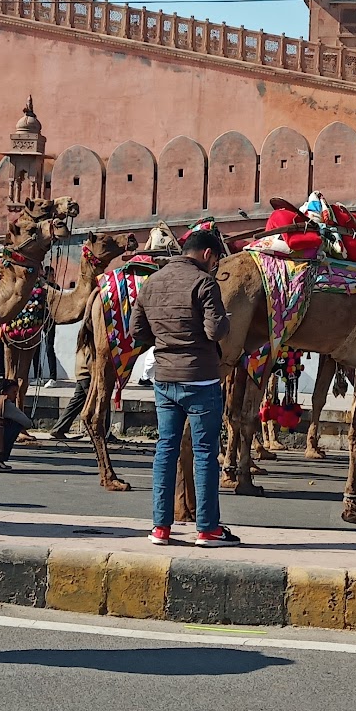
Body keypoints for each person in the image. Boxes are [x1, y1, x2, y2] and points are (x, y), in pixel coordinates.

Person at [129, 228, 237, 547]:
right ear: (207, 254)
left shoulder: (152, 282)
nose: (215, 266)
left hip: (164, 378)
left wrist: (164, 340)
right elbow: (215, 331)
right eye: (216, 261)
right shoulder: (204, 283)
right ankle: (207, 529)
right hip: (201, 378)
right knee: (204, 452)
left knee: (165, 449)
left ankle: (160, 528)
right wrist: (224, 321)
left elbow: (137, 330)